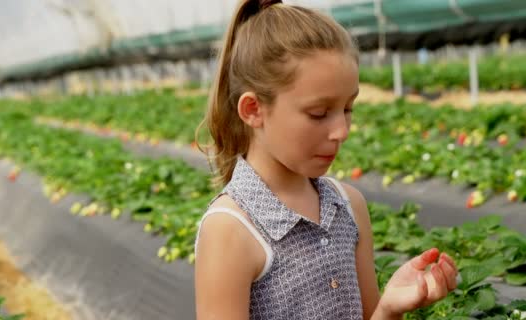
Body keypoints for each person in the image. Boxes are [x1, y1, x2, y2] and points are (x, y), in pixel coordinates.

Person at [194, 0, 459, 319]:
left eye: (348, 109)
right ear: (253, 110)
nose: (341, 131)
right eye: (318, 113)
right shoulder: (231, 230)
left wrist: (388, 309)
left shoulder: (348, 206)